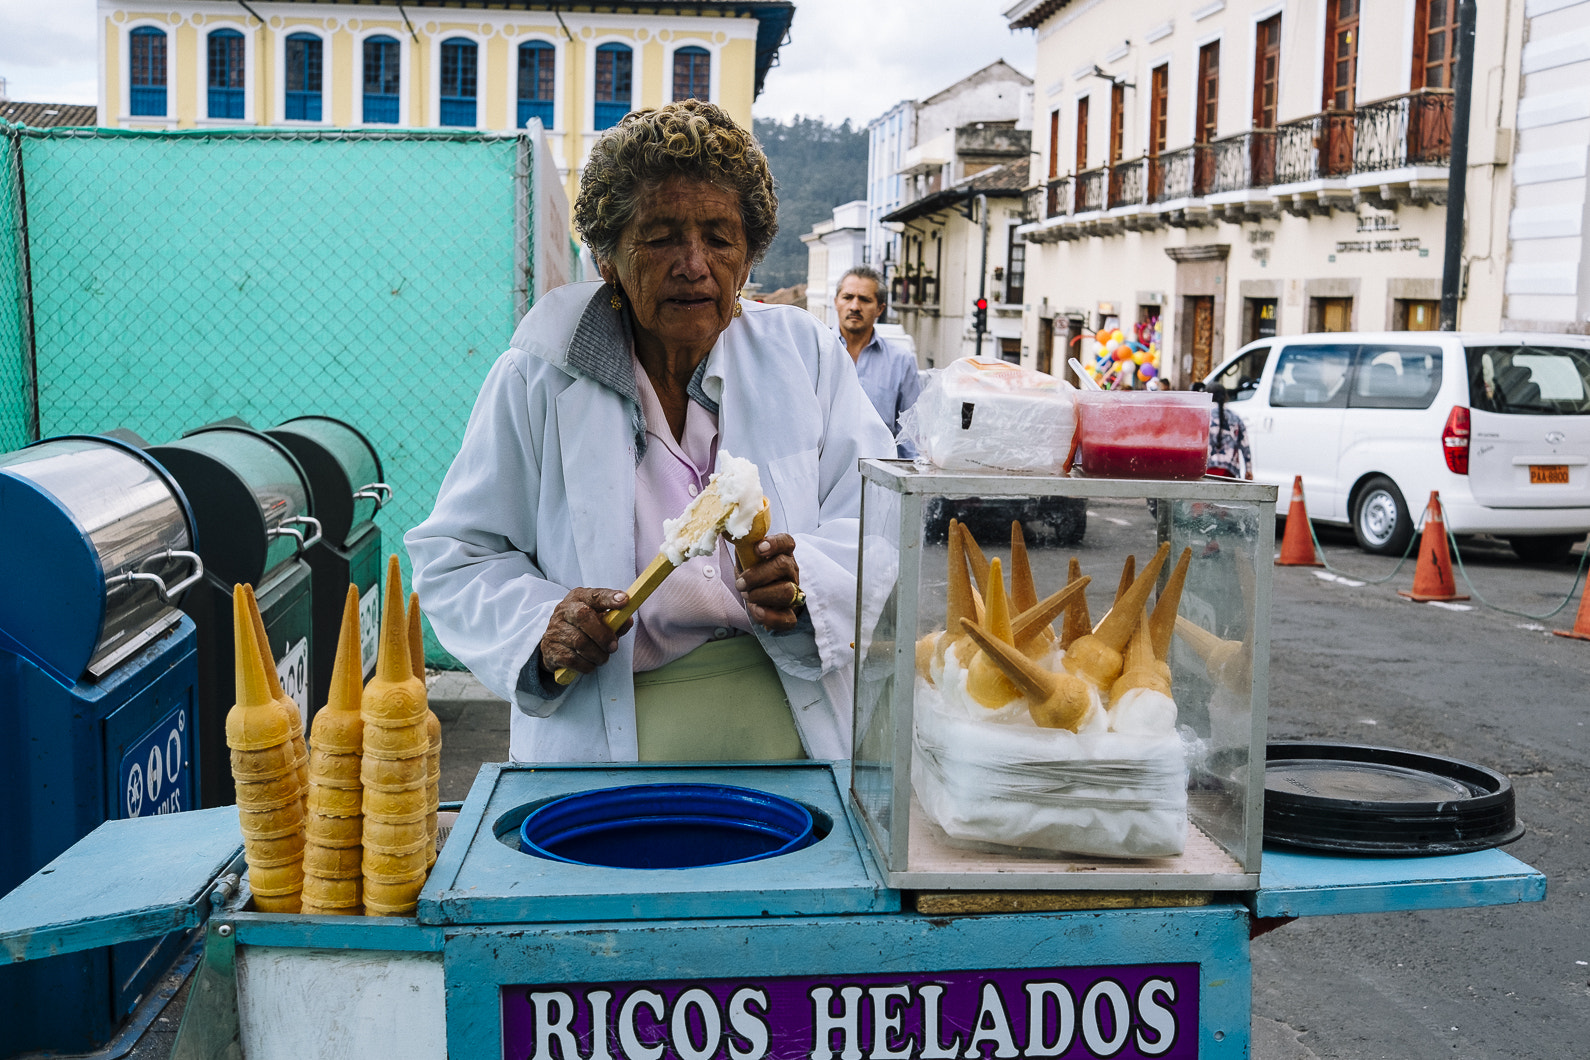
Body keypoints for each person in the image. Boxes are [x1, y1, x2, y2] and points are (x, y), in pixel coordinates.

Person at [406, 102, 894, 765]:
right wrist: (539, 626)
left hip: (796, 751)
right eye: (661, 236)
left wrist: (805, 582)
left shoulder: (803, 355)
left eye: (720, 238)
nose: (694, 264)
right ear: (607, 255)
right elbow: (458, 553)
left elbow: (877, 520)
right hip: (594, 758)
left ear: (748, 257)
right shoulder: (540, 375)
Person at [834, 266, 922, 458]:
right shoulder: (816, 354)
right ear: (836, 302)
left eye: (865, 300)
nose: (855, 307)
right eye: (848, 297)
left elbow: (911, 434)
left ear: (880, 309)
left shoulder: (901, 361)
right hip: (824, 481)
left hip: (880, 478)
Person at [1204, 385, 1253, 480]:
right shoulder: (1236, 418)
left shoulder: (1204, 415)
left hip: (1207, 471)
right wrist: (1249, 469)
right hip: (1229, 473)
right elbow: (1245, 446)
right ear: (1225, 397)